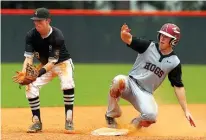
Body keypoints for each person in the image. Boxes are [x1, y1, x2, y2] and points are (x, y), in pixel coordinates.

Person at [105, 23, 196, 129]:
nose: (162, 38)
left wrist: (186, 110)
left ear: (174, 41)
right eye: (162, 35)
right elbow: (128, 39)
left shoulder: (174, 62)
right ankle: (111, 114)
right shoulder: (148, 46)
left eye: (166, 37)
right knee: (118, 80)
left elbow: (178, 86)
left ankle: (133, 126)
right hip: (130, 84)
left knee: (151, 116)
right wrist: (123, 34)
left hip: (145, 93)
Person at [21, 7, 75, 133]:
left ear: (48, 21)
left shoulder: (57, 36)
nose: (37, 23)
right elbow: (28, 58)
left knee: (67, 83)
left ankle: (69, 119)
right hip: (45, 65)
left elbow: (53, 62)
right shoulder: (31, 35)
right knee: (30, 86)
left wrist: (37, 73)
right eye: (35, 20)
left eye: (40, 20)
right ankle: (36, 121)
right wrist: (25, 72)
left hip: (62, 63)